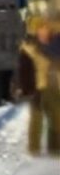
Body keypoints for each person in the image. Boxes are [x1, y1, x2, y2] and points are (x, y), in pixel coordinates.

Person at [15, 15, 60, 156]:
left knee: (56, 119)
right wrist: (24, 87)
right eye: (41, 29)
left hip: (55, 86)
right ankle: (34, 150)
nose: (44, 31)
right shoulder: (29, 47)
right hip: (37, 87)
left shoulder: (56, 44)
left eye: (46, 28)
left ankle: (55, 149)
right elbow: (22, 69)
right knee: (36, 118)